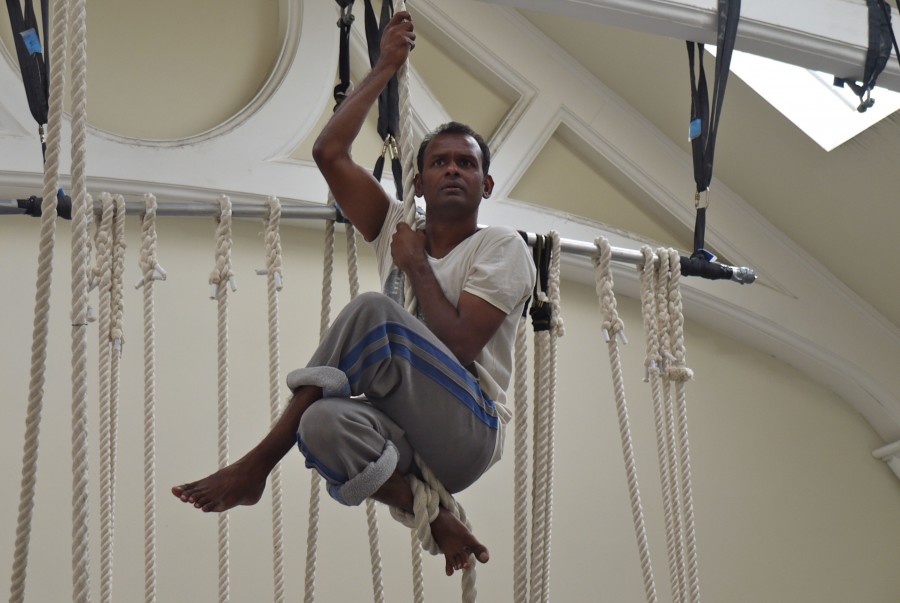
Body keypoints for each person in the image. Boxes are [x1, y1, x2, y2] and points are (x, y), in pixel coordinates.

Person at [172, 11, 535, 577]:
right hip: (403, 438)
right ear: (418, 182)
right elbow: (329, 154)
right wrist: (385, 67)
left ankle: (259, 463)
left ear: (486, 184)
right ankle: (430, 514)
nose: (454, 171)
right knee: (320, 425)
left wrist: (414, 266)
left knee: (374, 312)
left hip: (468, 429)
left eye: (467, 164)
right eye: (440, 162)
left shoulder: (501, 248)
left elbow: (462, 346)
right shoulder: (398, 230)